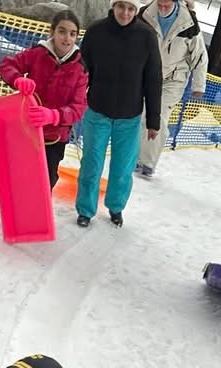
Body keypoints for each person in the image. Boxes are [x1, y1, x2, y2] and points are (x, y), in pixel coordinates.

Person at [75, 0, 161, 228]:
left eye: (131, 9)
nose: (125, 13)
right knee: (92, 164)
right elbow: (82, 71)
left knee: (123, 168)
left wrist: (153, 120)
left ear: (136, 11)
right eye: (121, 6)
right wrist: (74, 102)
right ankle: (85, 209)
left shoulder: (147, 36)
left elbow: (153, 79)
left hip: (129, 116)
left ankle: (116, 207)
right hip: (97, 111)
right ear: (114, 6)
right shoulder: (96, 31)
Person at [0, 10, 88, 190]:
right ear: (52, 32)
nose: (67, 38)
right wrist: (17, 79)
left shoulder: (80, 68)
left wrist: (53, 115)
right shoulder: (37, 53)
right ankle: (17, 212)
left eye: (72, 33)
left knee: (46, 180)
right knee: (21, 174)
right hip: (26, 128)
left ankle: (38, 214)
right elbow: (7, 65)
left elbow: (78, 108)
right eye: (62, 31)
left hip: (55, 137)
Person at [135, 0, 208, 178]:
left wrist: (199, 85)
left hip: (173, 79)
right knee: (141, 114)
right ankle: (135, 157)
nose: (162, 8)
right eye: (160, 4)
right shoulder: (144, 15)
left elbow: (199, 56)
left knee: (157, 116)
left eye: (167, 5)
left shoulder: (188, 23)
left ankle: (147, 163)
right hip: (147, 75)